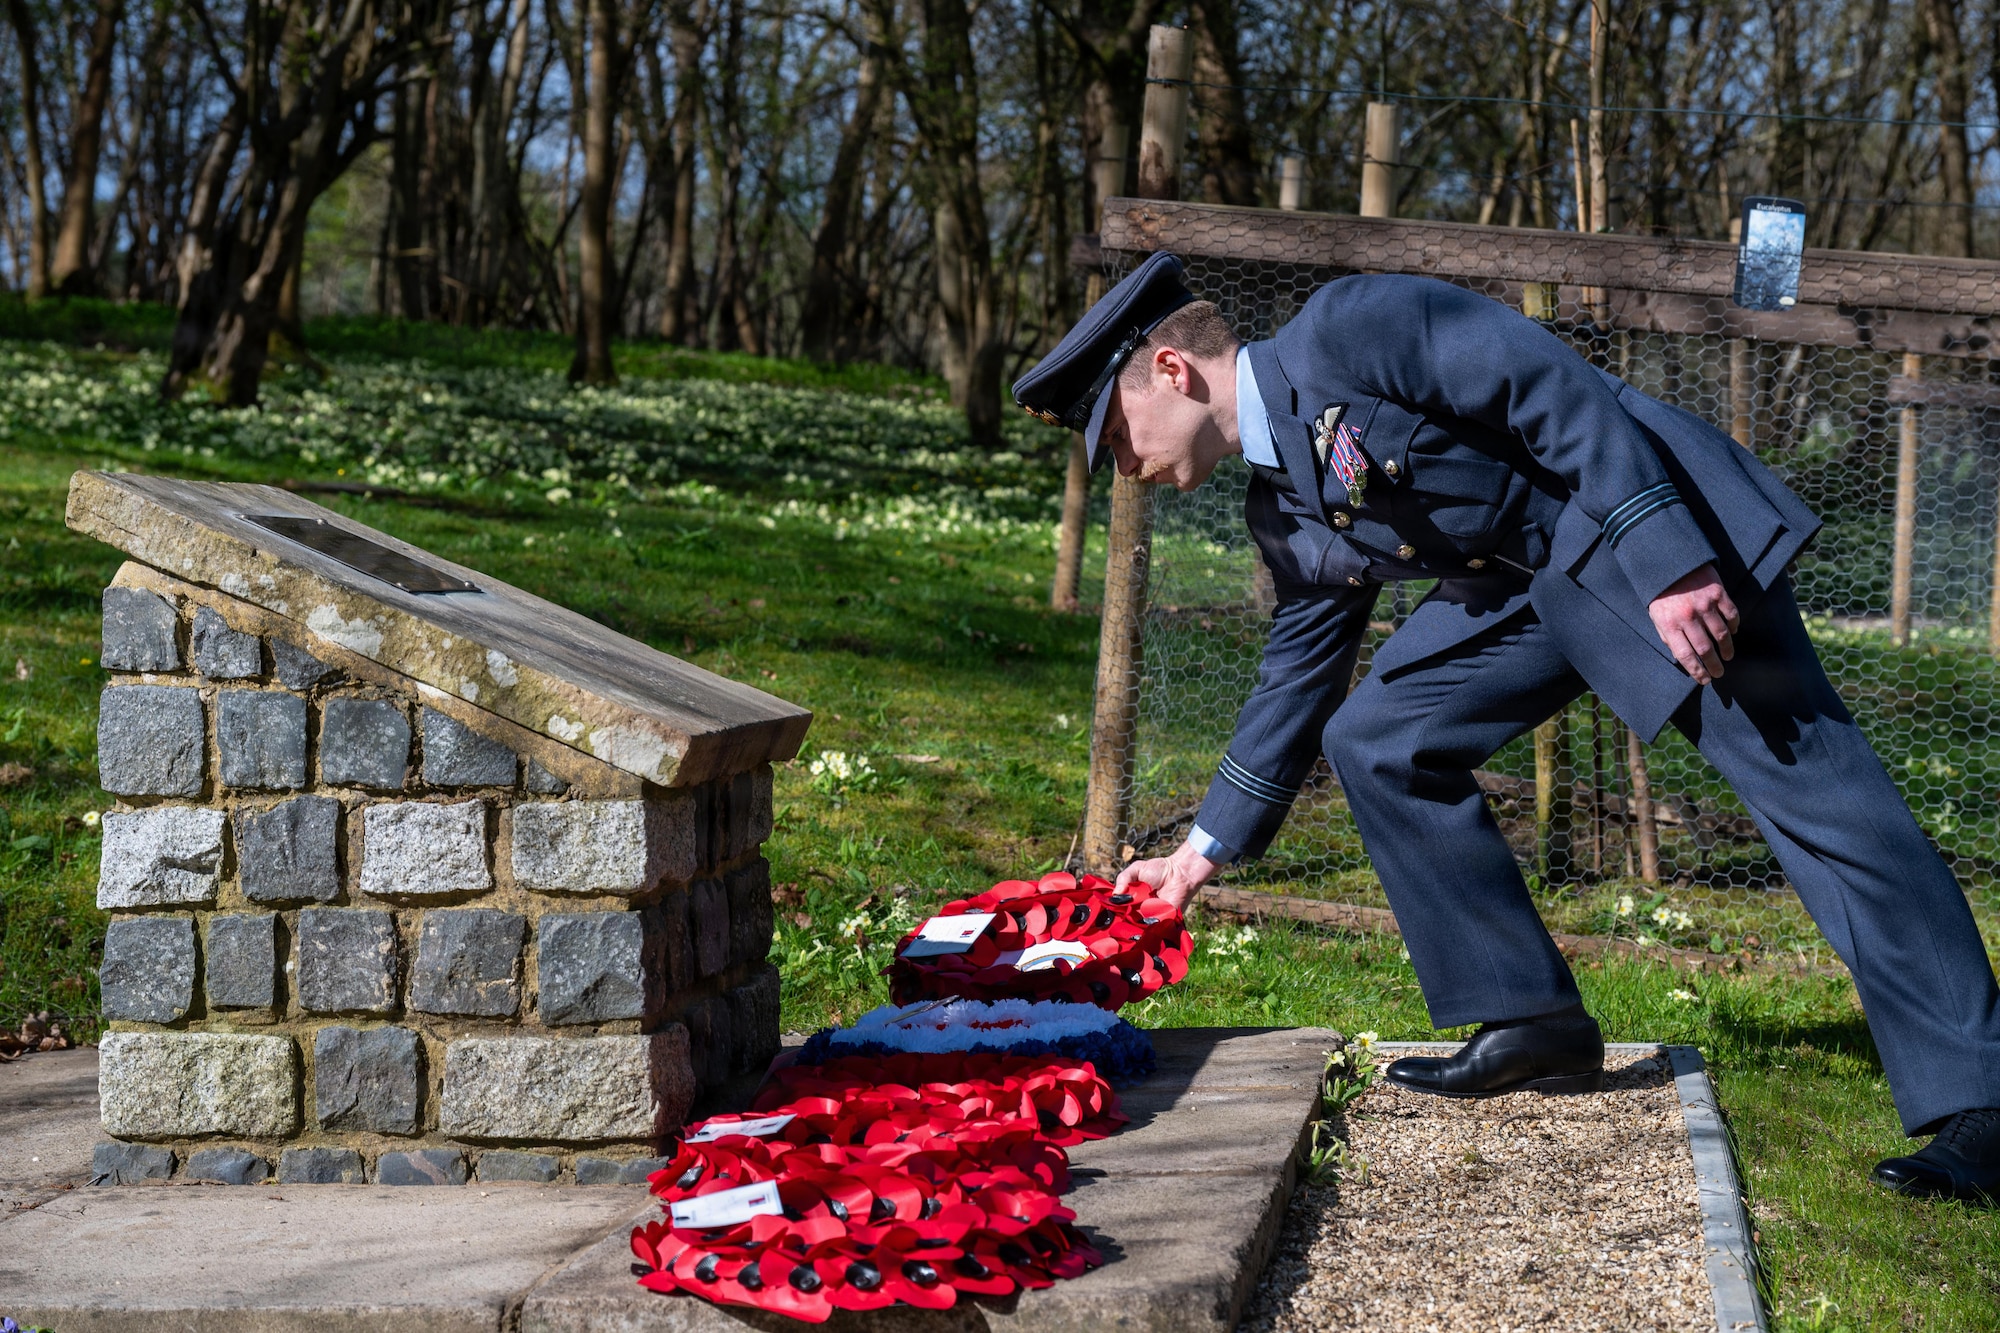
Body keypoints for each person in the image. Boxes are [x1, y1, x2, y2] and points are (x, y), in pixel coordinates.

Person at [1013, 251, 2000, 1203]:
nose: (1121, 468)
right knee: (1377, 738)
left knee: (1813, 795)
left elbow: (1550, 387)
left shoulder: (1354, 327)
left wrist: (1669, 560)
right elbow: (1296, 675)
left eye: (1112, 435)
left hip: (1638, 529)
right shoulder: (1283, 508)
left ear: (1173, 371)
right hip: (1533, 594)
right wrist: (1194, 856)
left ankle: (1980, 1098)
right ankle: (1530, 1017)